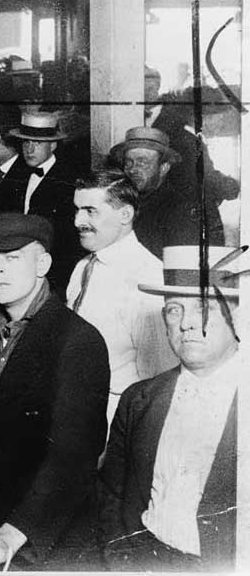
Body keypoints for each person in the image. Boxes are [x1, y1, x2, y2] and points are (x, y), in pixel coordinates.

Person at [0, 213, 109, 570]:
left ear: (43, 264)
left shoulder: (78, 340)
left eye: (11, 258)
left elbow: (74, 457)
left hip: (48, 543)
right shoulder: (1, 329)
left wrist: (10, 535)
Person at [99, 245, 241, 572]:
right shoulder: (139, 399)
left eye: (203, 307)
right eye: (174, 309)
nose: (187, 323)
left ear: (239, 313)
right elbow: (111, 495)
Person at [67, 170, 178, 427]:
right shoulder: (83, 267)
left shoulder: (147, 275)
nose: (77, 221)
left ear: (125, 215)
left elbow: (158, 376)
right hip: (75, 410)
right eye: (76, 210)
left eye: (90, 211)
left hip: (118, 420)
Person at [0, 111, 80, 294]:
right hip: (17, 269)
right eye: (26, 142)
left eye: (38, 143)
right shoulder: (16, 173)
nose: (30, 149)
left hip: (53, 275)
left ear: (53, 145)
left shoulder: (69, 180)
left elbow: (69, 243)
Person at [111, 126, 225, 258]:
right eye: (128, 163)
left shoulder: (180, 209)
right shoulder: (121, 203)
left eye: (142, 163)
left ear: (164, 168)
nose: (132, 170)